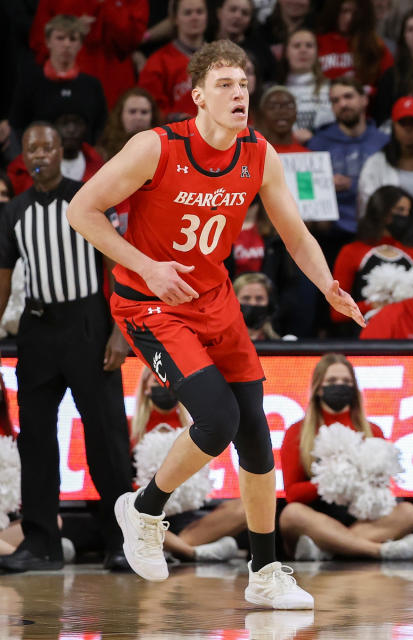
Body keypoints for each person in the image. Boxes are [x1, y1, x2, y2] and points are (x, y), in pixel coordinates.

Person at [66, 39, 364, 608]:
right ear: (197, 96)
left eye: (243, 85)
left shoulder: (259, 153)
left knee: (254, 429)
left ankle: (265, 570)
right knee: (219, 418)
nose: (238, 95)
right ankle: (145, 509)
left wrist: (327, 284)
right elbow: (82, 210)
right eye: (224, 85)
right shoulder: (156, 146)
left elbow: (295, 233)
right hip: (149, 302)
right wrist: (147, 267)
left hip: (214, 298)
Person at [0, 122, 133, 573]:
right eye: (32, 146)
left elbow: (118, 265)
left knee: (107, 436)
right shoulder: (14, 211)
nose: (40, 153)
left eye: (48, 146)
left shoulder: (90, 197)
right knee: (35, 438)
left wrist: (120, 330)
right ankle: (41, 543)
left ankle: (122, 541)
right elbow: (2, 281)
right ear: (24, 157)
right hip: (37, 328)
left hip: (88, 324)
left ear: (61, 153)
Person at [278, 354, 413, 560]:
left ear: (354, 389)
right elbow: (292, 494)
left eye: (346, 382)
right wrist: (329, 481)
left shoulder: (373, 430)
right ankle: (378, 550)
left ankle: (327, 549)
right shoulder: (298, 431)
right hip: (318, 518)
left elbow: (383, 493)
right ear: (319, 388)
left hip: (362, 519)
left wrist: (362, 481)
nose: (340, 386)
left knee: (408, 512)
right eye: (332, 381)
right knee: (291, 514)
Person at [130, 366, 247, 563]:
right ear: (145, 387)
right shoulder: (130, 429)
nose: (163, 386)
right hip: (147, 517)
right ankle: (193, 553)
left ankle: (169, 548)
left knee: (245, 508)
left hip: (188, 521)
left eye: (168, 382)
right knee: (128, 514)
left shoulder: (196, 427)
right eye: (156, 381)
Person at [307, 77, 390, 267]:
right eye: (335, 100)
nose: (342, 104)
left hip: (375, 232)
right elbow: (305, 190)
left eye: (348, 96)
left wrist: (354, 184)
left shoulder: (383, 142)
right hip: (329, 235)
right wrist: (323, 186)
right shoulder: (317, 143)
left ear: (364, 99)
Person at [10, 15, 109, 174]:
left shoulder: (92, 85)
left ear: (80, 44)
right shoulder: (30, 82)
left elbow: (100, 127)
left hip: (85, 166)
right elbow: (17, 127)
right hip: (38, 166)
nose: (66, 44)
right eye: (60, 38)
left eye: (72, 39)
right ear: (48, 41)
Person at [331, 185, 413, 328]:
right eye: (400, 210)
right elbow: (336, 313)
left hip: (410, 332)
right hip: (366, 336)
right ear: (382, 210)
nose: (405, 216)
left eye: (408, 212)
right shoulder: (351, 252)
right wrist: (373, 305)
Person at [29, 0, 148, 106]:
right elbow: (39, 43)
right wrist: (71, 32)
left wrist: (110, 7)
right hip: (63, 85)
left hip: (114, 83)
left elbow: (132, 40)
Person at [357, 96, 413, 217]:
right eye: (403, 122)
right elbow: (367, 209)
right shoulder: (375, 163)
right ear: (393, 126)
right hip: (387, 232)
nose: (408, 128)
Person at [139, 0, 208, 122]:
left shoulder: (220, 58)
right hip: (175, 134)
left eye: (199, 12)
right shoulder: (158, 62)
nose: (194, 17)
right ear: (175, 19)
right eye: (188, 13)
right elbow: (151, 107)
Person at [316, 0, 395, 90]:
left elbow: (389, 82)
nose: (349, 18)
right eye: (344, 11)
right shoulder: (318, 42)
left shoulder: (374, 45)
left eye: (355, 13)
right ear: (334, 11)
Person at [278, 28, 334, 144]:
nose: (303, 50)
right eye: (297, 46)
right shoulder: (274, 92)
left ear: (317, 52)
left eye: (309, 46)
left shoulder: (332, 89)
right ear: (286, 52)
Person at [208, 0, 275, 84]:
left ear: (250, 20)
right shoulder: (204, 44)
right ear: (219, 13)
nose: (238, 16)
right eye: (232, 10)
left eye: (245, 13)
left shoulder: (261, 51)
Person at [97, 88, 162, 161]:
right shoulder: (104, 151)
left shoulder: (163, 147)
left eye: (144, 112)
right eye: (132, 111)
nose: (138, 117)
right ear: (120, 114)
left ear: (152, 116)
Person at [54, 113, 105, 185]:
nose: (71, 130)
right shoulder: (41, 165)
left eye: (77, 123)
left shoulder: (99, 164)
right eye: (64, 123)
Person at [257, 86, 308, 153]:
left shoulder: (307, 155)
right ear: (262, 114)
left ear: (296, 113)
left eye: (288, 106)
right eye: (272, 107)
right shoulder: (254, 154)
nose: (281, 112)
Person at [233, 272, 283, 341]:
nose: (253, 303)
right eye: (246, 298)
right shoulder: (219, 345)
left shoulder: (283, 345)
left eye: (259, 298)